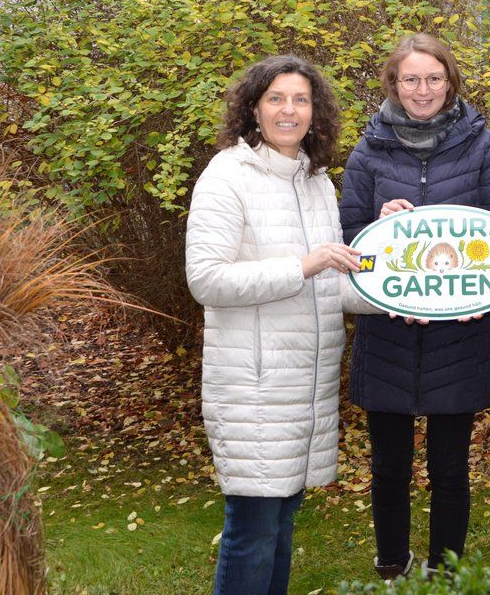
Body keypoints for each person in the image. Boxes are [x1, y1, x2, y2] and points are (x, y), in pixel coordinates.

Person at [185, 54, 374, 595]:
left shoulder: (314, 181)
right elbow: (207, 279)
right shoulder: (227, 175)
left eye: (301, 99)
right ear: (253, 108)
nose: (289, 110)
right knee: (252, 528)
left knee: (282, 520)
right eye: (276, 99)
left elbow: (332, 286)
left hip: (304, 387)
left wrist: (396, 293)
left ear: (316, 112)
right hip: (254, 385)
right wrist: (303, 264)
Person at [339, 33, 490, 580]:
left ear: (450, 82)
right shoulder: (369, 151)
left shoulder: (483, 146)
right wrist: (381, 230)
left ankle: (446, 568)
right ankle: (392, 562)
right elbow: (348, 241)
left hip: (458, 334)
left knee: (449, 466)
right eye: (411, 79)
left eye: (433, 79)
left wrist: (484, 292)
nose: (422, 90)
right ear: (394, 84)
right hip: (387, 332)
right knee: (389, 466)